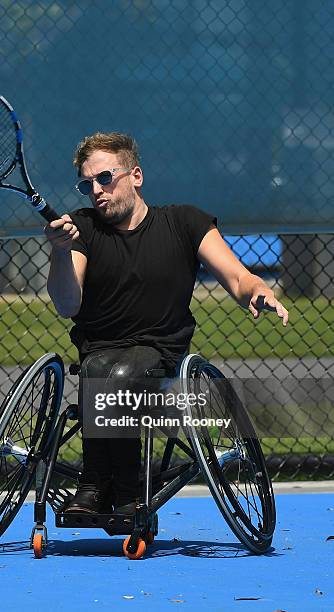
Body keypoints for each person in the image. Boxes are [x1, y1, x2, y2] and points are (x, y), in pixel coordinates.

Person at [45, 132, 288, 515]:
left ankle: (123, 491)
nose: (97, 190)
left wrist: (258, 290)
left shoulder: (185, 222)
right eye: (87, 183)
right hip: (98, 351)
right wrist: (60, 254)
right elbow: (66, 303)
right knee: (98, 367)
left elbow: (238, 277)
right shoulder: (81, 228)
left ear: (135, 176)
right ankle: (95, 484)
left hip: (162, 354)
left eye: (105, 178)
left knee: (120, 373)